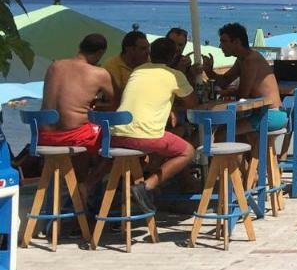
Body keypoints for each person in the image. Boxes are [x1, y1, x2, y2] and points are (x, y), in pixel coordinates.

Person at [110, 37, 198, 212]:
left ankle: (124, 190)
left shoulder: (138, 71)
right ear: (174, 57)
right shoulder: (174, 75)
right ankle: (145, 187)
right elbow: (193, 103)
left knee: (160, 148)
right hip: (144, 136)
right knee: (188, 151)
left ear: (150, 54)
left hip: (116, 135)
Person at [39, 34, 114, 184]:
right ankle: (84, 187)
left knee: (87, 133)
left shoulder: (55, 66)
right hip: (72, 137)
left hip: (43, 135)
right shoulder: (99, 73)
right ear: (100, 53)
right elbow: (115, 101)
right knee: (114, 143)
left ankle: (69, 185)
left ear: (80, 46)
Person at [202, 22, 285, 136]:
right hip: (264, 113)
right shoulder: (242, 59)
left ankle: (231, 154)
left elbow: (243, 94)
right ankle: (247, 154)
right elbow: (224, 81)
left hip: (271, 114)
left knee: (222, 133)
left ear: (237, 42)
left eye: (224, 41)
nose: (220, 46)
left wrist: (224, 92)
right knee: (233, 133)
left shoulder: (250, 60)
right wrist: (209, 71)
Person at [103, 30, 149, 100]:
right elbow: (115, 95)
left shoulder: (149, 63)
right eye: (143, 49)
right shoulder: (112, 66)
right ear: (129, 49)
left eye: (148, 48)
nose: (148, 52)